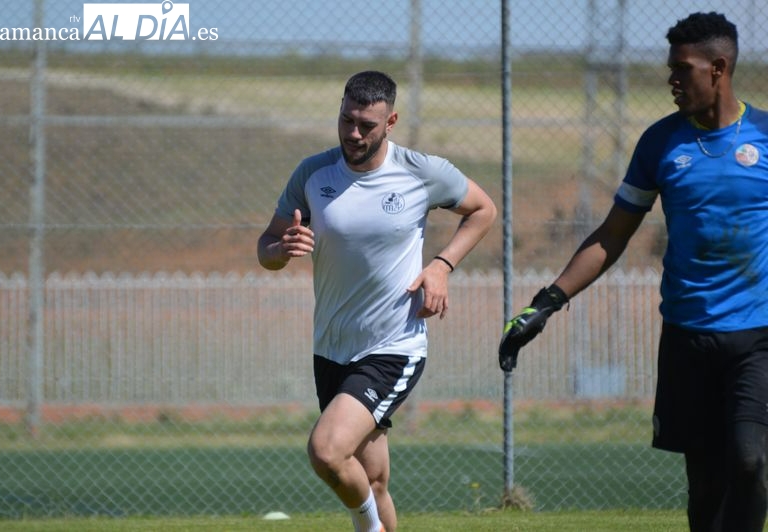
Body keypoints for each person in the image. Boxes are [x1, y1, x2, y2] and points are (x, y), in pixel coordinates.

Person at [499, 12, 768, 532]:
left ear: (718, 68)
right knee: (707, 483)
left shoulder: (764, 135)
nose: (671, 80)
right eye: (670, 68)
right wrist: (546, 302)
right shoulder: (660, 144)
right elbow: (611, 235)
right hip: (689, 337)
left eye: (682, 70)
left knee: (751, 462)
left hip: (758, 337)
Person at [257, 70, 496, 532]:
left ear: (391, 122)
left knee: (327, 451)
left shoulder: (420, 172)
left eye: (366, 125)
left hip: (393, 347)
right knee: (373, 480)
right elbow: (266, 249)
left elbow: (483, 209)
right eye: (346, 120)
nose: (353, 133)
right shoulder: (313, 173)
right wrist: (280, 249)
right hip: (331, 348)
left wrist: (442, 266)